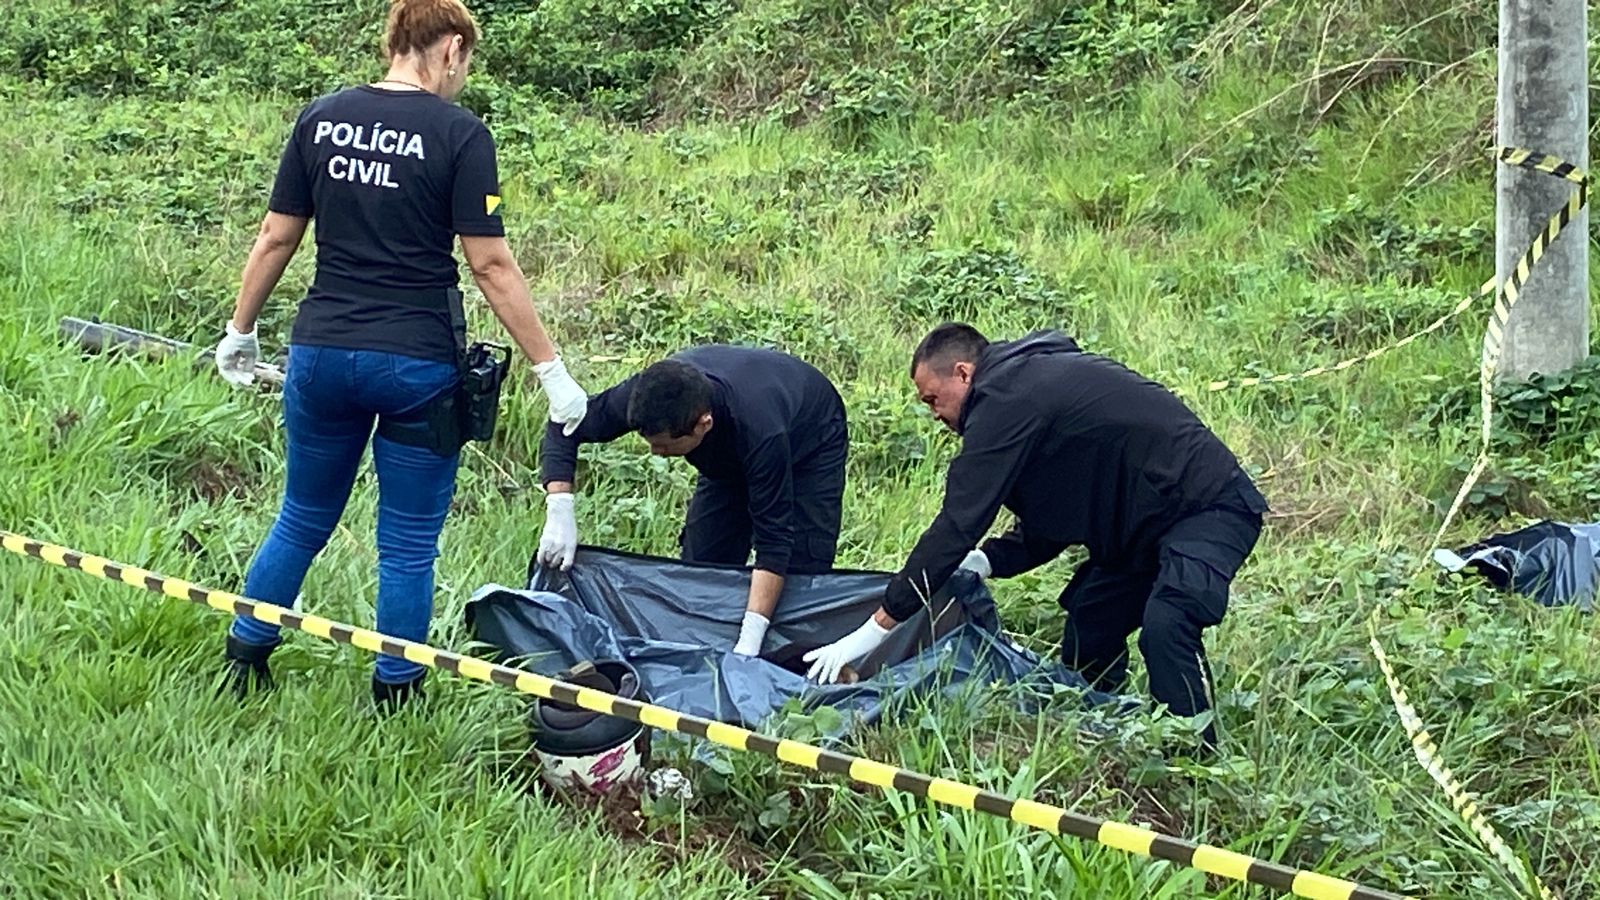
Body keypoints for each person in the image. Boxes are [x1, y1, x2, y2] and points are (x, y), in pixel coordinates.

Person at [212, 0, 588, 711]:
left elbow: (275, 236)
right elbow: (490, 264)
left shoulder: (321, 118)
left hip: (321, 352)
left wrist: (241, 329)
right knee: (409, 542)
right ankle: (396, 693)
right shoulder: (460, 134)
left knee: (301, 515)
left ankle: (245, 657)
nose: (463, 76)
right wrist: (550, 368)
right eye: (465, 62)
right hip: (416, 364)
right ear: (450, 49)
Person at [804, 324, 1268, 751]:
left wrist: (872, 631)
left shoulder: (1006, 397)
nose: (934, 414)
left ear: (963, 373)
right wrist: (986, 561)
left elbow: (958, 522)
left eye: (933, 399)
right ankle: (1103, 729)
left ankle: (1194, 756)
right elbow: (1054, 518)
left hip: (1208, 506)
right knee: (1092, 619)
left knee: (1167, 623)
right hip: (1141, 528)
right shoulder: (1026, 390)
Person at [536, 346, 849, 658]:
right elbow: (565, 423)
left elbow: (775, 540)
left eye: (663, 446)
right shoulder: (647, 393)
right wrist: (559, 507)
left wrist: (750, 639)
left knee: (799, 578)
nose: (655, 453)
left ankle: (786, 665)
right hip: (730, 449)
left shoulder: (761, 431)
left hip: (810, 440)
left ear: (703, 424)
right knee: (702, 569)